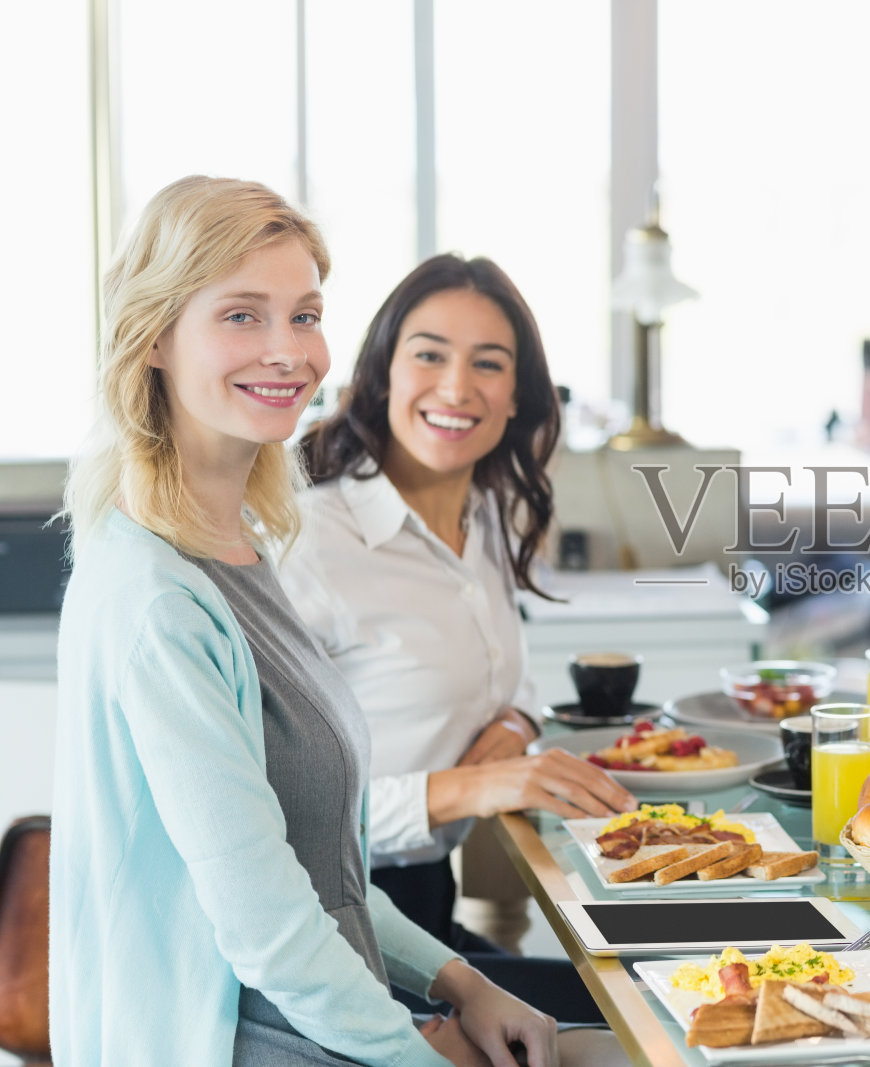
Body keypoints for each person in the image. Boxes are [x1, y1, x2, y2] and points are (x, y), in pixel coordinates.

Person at [51, 175, 555, 1066]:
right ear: (155, 336)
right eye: (242, 316)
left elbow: (325, 869)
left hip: (330, 1020)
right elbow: (271, 933)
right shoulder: (158, 596)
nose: (289, 351)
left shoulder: (240, 540)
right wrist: (423, 1054)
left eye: (306, 315)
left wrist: (462, 982)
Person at [282, 253, 634, 1021]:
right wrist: (471, 787)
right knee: (636, 1019)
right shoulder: (309, 541)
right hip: (332, 936)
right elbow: (274, 812)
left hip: (425, 911)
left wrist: (514, 724)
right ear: (380, 374)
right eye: (429, 354)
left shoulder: (490, 512)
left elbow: (512, 680)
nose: (456, 387)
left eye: (489, 363)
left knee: (654, 989)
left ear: (518, 396)